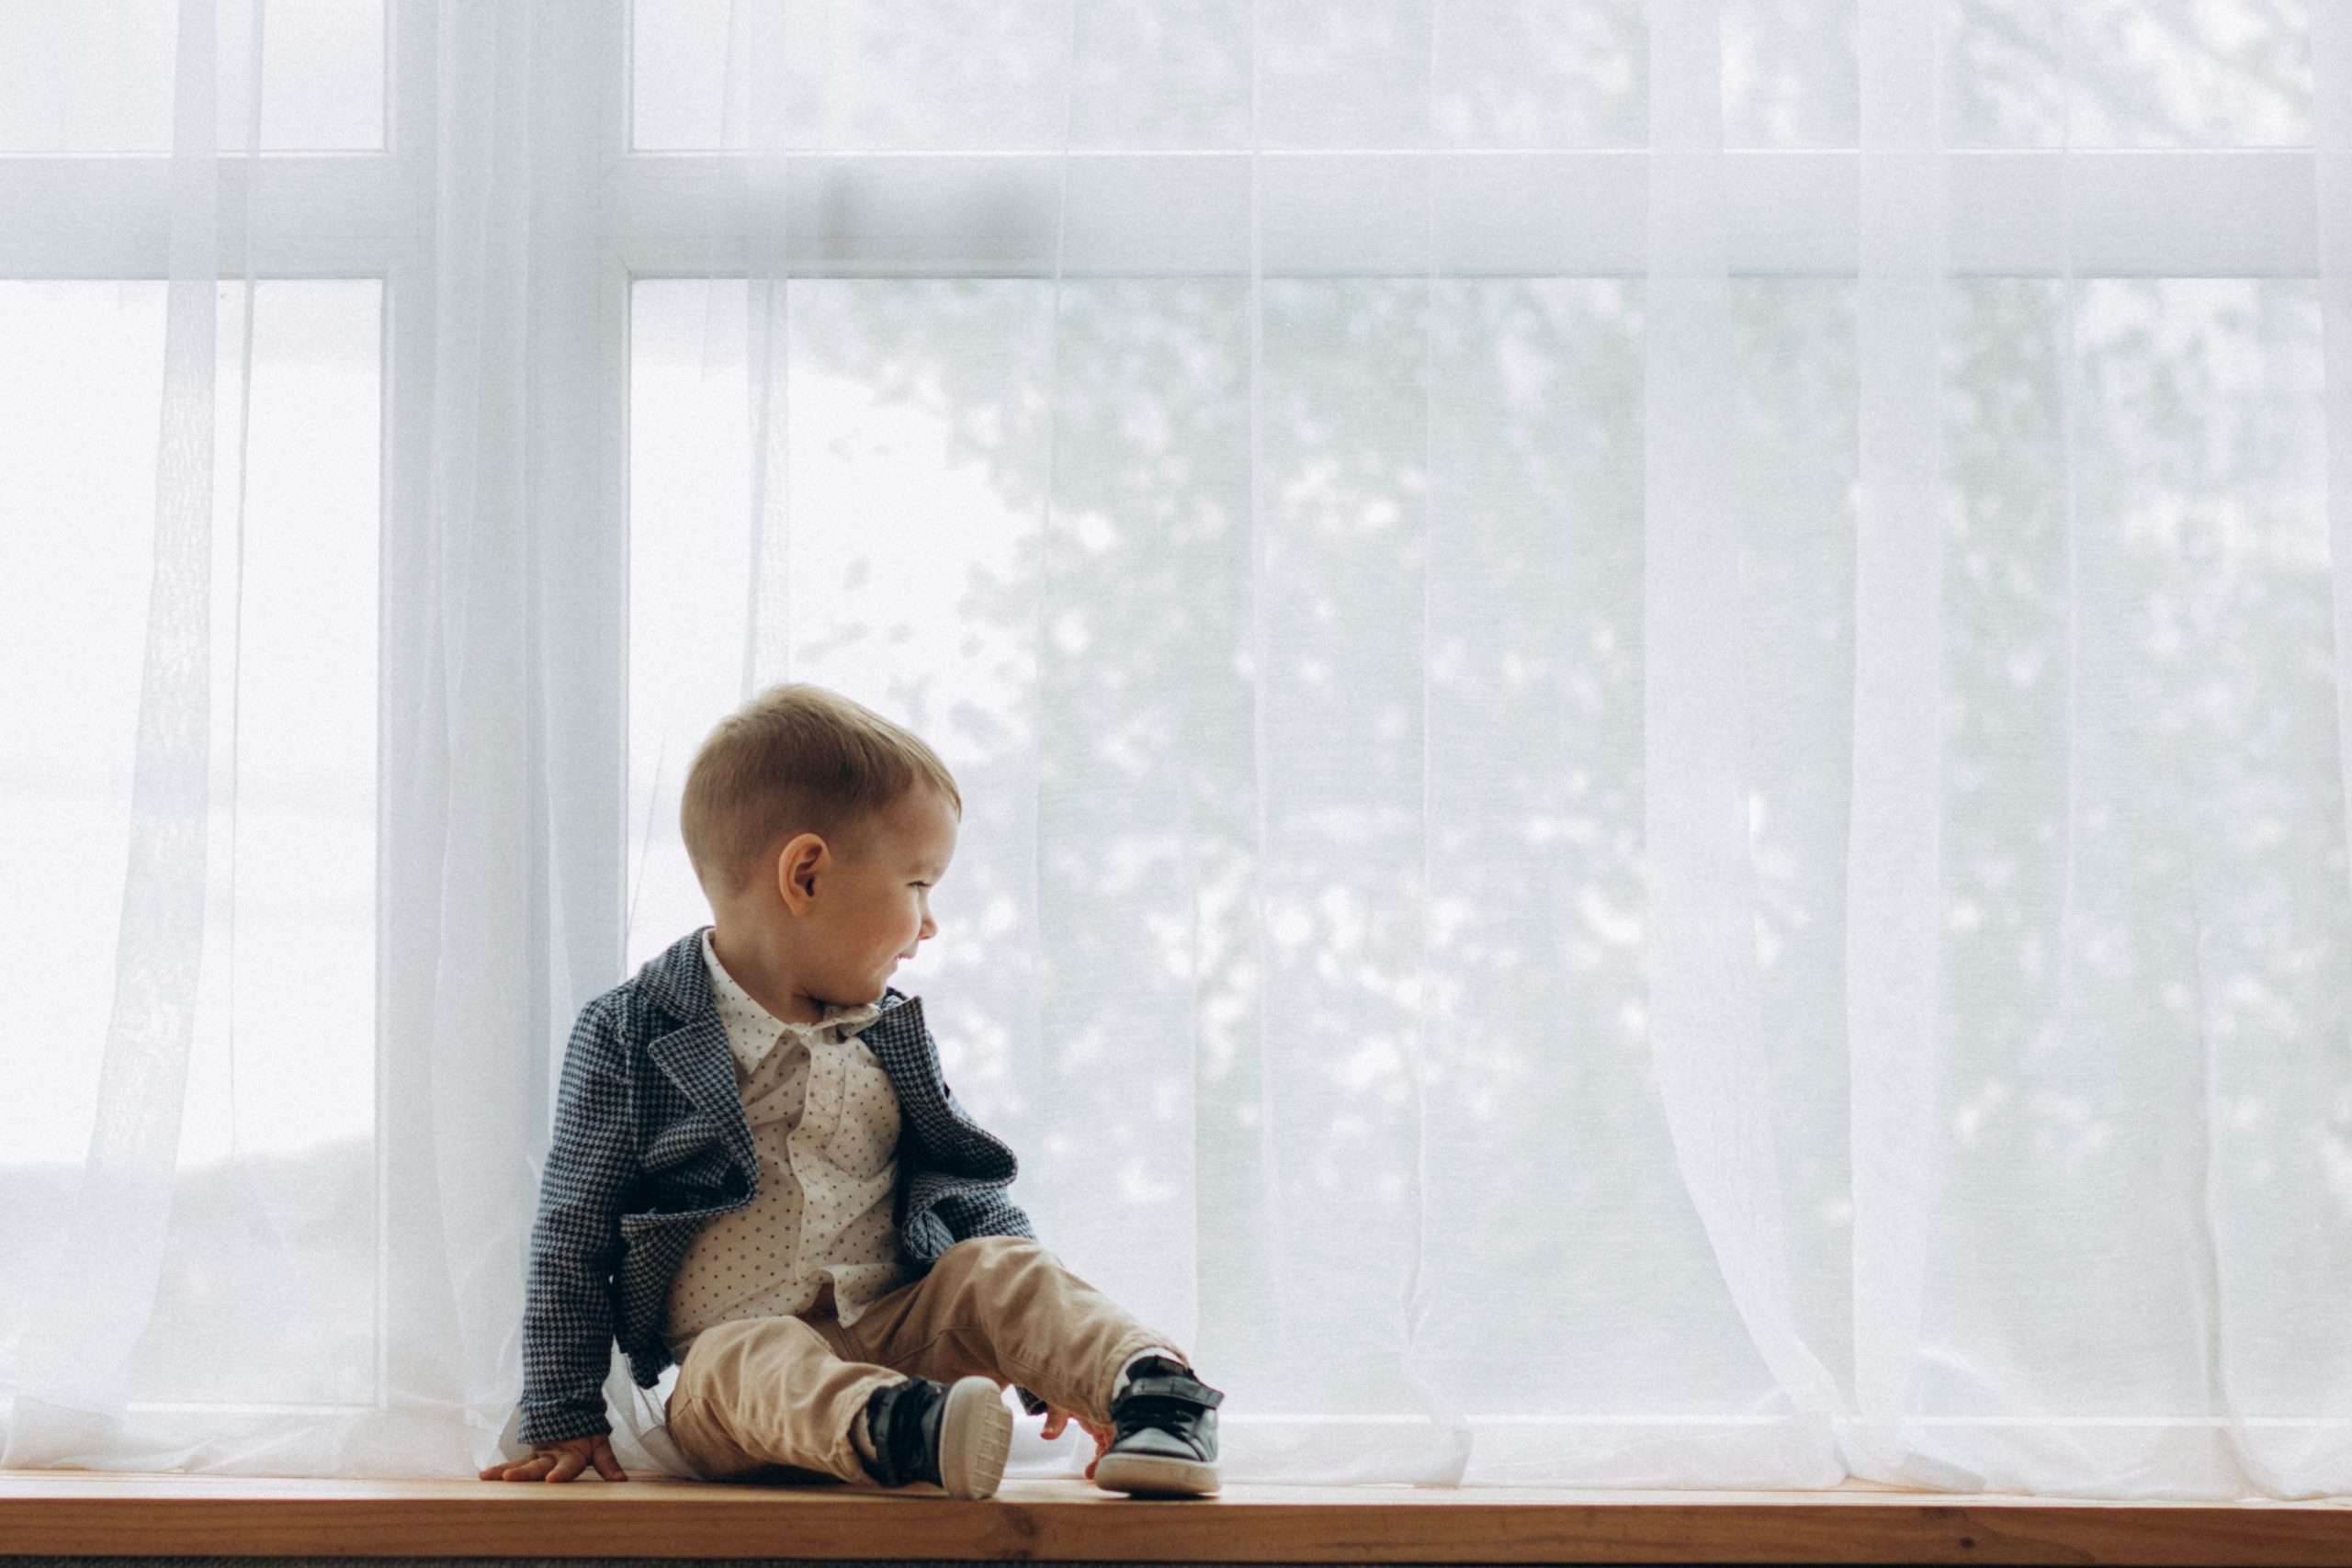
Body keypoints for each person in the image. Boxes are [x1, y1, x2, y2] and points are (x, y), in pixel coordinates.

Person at [481, 683, 1222, 1499]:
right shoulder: (634, 1032)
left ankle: (1150, 1392)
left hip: (896, 1333)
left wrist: (1050, 1373)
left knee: (997, 1266)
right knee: (739, 1354)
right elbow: (573, 1232)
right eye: (918, 885)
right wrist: (561, 1407)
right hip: (739, 1391)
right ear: (806, 875)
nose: (930, 924)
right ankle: (899, 1428)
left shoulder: (890, 1033)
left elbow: (967, 1192)